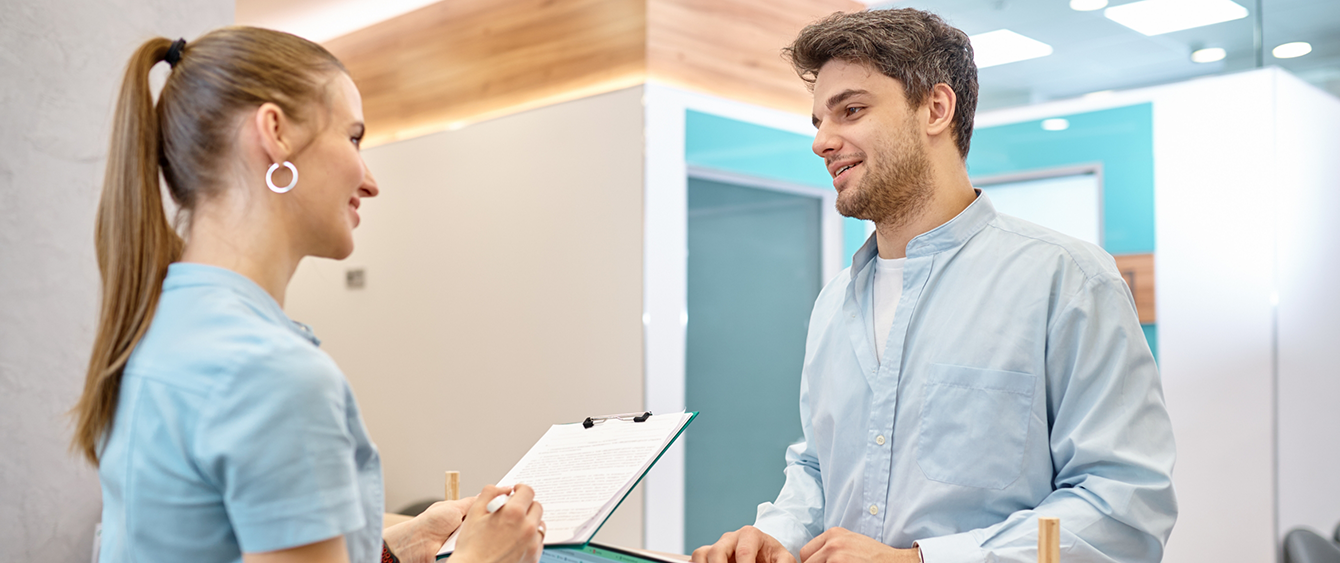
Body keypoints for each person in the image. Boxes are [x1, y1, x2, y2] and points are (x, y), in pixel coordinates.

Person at [692, 9, 1177, 563]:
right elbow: (817, 469)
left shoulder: (1067, 280)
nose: (822, 142)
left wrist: (921, 560)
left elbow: (1125, 506)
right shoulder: (834, 303)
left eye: (850, 110)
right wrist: (777, 534)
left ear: (936, 109)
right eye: (818, 122)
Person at [70, 28, 544, 563]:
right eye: (354, 137)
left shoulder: (155, 326)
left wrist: (393, 545)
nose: (369, 181)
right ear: (275, 133)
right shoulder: (271, 374)